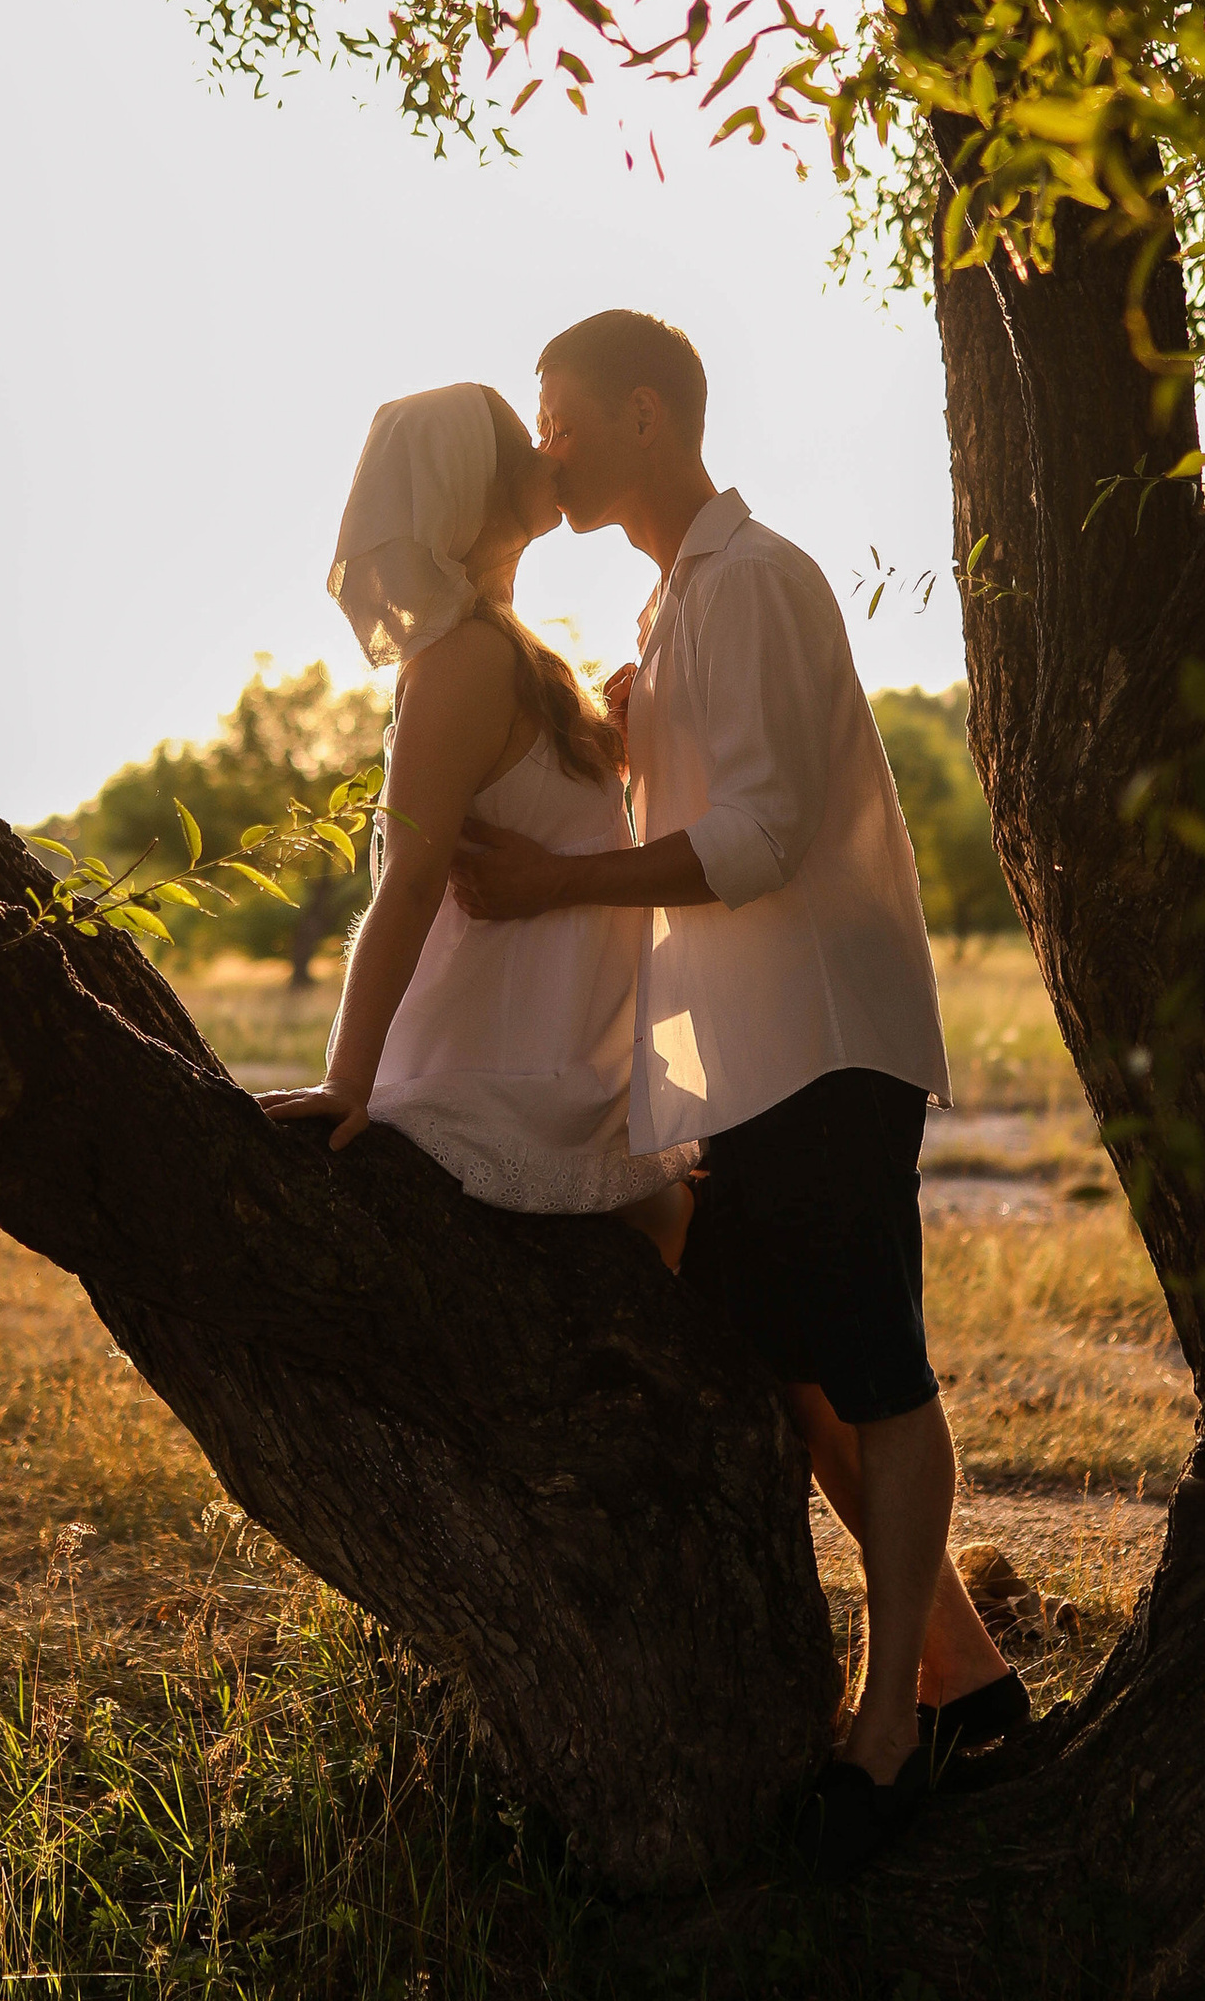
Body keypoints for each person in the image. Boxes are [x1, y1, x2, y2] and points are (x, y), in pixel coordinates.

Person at [449, 309, 1028, 1877]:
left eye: (562, 415)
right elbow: (718, 803)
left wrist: (549, 894)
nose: (545, 442)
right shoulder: (680, 601)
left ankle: (899, 1729)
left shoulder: (757, 580)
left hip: (831, 1042)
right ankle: (964, 1678)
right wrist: (633, 747)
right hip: (759, 1060)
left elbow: (765, 841)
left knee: (877, 1377)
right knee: (800, 1374)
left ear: (649, 415)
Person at [259, 381, 694, 1253]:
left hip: (565, 1052)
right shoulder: (460, 662)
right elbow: (414, 880)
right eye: (521, 441)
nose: (548, 450)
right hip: (500, 1062)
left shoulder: (517, 651)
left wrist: (610, 732)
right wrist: (349, 1081)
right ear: (472, 487)